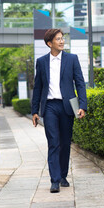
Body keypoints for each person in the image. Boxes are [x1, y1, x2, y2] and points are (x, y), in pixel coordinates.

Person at [31, 28, 87, 193]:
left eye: (62, 38)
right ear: (50, 43)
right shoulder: (41, 62)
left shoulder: (72, 59)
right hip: (49, 107)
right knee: (53, 143)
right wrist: (35, 111)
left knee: (64, 143)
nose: (62, 41)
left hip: (67, 106)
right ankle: (54, 180)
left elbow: (80, 83)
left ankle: (63, 175)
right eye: (58, 39)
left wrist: (82, 105)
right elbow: (38, 87)